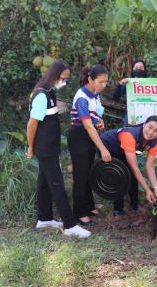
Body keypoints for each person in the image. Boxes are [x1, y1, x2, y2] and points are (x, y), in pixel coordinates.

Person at [26, 60, 91, 238]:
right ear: (55, 76)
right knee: (57, 185)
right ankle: (70, 226)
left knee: (44, 182)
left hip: (51, 146)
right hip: (45, 149)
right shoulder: (41, 96)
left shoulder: (50, 93)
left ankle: (44, 219)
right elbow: (32, 124)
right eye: (64, 78)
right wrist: (30, 147)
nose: (66, 82)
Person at [68, 65, 111, 226]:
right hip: (79, 136)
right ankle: (79, 213)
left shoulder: (94, 93)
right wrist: (103, 148)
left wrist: (99, 122)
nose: (103, 85)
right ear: (90, 80)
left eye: (106, 82)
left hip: (89, 135)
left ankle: (89, 205)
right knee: (80, 176)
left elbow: (93, 116)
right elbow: (86, 125)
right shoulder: (81, 98)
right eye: (101, 82)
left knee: (88, 172)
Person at [100, 115, 157, 215]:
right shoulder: (129, 135)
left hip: (124, 150)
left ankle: (134, 204)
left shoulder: (154, 142)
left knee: (132, 176)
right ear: (144, 124)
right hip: (108, 146)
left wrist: (156, 187)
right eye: (150, 127)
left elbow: (149, 166)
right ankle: (118, 209)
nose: (151, 132)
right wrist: (147, 190)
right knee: (118, 176)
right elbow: (135, 168)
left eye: (156, 131)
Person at [113, 59, 147, 125]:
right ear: (132, 69)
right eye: (136, 67)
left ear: (145, 70)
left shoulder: (150, 84)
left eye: (141, 68)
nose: (138, 69)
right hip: (130, 116)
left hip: (146, 116)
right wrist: (120, 84)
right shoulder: (128, 83)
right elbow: (115, 97)